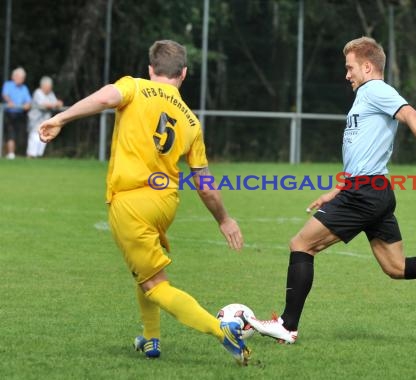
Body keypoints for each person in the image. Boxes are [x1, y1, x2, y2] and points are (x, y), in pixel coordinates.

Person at [247, 37, 416, 344]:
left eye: (350, 67)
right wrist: (336, 188)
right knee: (396, 267)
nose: (347, 74)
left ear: (367, 67)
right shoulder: (364, 97)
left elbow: (412, 115)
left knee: (301, 244)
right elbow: (362, 152)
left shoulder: (376, 90)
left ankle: (287, 327)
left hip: (366, 192)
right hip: (371, 190)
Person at [39, 40, 251, 365]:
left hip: (131, 201)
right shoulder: (192, 122)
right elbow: (205, 184)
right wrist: (224, 219)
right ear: (183, 73)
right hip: (165, 204)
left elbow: (106, 97)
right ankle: (151, 339)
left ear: (151, 69)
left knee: (155, 283)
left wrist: (61, 118)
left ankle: (222, 331)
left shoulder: (135, 87)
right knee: (144, 269)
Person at [27, 76, 63, 158]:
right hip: (35, 120)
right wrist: (55, 104)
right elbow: (44, 104)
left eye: (50, 87)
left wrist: (57, 103)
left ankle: (38, 157)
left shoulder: (51, 93)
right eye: (47, 87)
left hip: (45, 121)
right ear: (42, 86)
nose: (49, 89)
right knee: (34, 138)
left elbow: (57, 103)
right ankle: (30, 157)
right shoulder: (38, 92)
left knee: (43, 139)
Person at [2, 67, 32, 159]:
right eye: (20, 77)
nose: (22, 79)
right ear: (14, 77)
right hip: (9, 114)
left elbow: (28, 100)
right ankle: (11, 154)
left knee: (19, 135)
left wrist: (27, 104)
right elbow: (5, 95)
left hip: (20, 115)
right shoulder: (8, 85)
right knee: (10, 134)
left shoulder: (24, 88)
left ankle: (11, 152)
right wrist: (10, 102)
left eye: (23, 78)